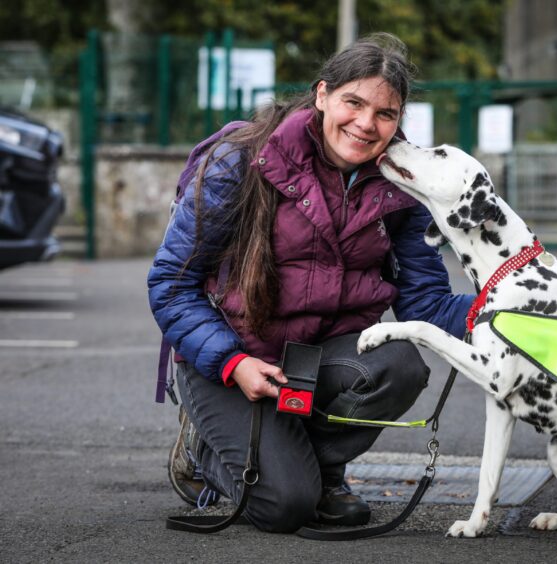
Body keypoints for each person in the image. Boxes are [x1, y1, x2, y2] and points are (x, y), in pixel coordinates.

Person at [147, 33, 472, 534]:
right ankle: (203, 453)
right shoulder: (241, 159)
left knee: (400, 364)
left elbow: (425, 304)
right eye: (354, 102)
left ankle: (323, 472)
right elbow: (171, 284)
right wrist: (232, 363)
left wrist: (505, 306)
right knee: (284, 507)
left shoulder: (403, 185)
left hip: (319, 359)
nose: (366, 123)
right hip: (233, 356)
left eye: (385, 114)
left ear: (399, 120)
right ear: (322, 95)